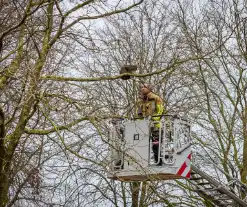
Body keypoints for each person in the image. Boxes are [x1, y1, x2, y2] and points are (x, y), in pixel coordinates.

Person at [136, 83, 164, 165]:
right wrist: (140, 124)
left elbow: (160, 110)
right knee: (141, 144)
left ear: (149, 88)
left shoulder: (156, 98)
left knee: (156, 144)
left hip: (155, 126)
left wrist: (154, 120)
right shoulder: (141, 101)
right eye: (141, 87)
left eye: (144, 87)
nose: (142, 88)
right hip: (144, 126)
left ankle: (158, 161)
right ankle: (141, 163)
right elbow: (139, 114)